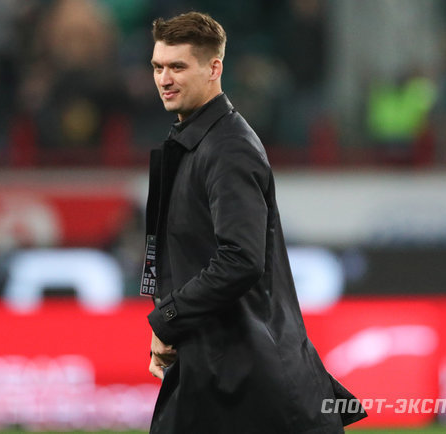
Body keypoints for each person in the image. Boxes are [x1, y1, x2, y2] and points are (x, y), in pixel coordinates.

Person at [141, 12, 366, 433]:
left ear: (214, 68)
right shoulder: (191, 145)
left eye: (177, 67)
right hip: (217, 366)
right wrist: (169, 323)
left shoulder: (228, 148)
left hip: (250, 380)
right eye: (158, 67)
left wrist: (167, 318)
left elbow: (240, 259)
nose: (164, 79)